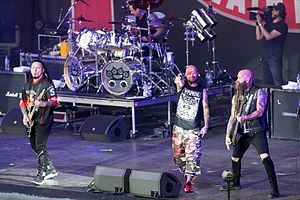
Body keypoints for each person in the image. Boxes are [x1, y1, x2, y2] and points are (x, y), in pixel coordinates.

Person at [220, 69, 280, 198]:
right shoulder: (236, 96)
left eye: (239, 78)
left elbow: (259, 111)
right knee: (235, 157)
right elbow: (232, 116)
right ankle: (236, 183)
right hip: (243, 133)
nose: (237, 81)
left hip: (257, 130)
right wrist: (227, 135)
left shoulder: (259, 92)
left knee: (265, 157)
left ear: (247, 79)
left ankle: (275, 189)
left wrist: (245, 118)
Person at [19, 60, 58, 185]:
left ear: (43, 70)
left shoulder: (47, 85)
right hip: (31, 120)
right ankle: (50, 168)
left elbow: (54, 101)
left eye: (38, 68)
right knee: (34, 146)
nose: (35, 70)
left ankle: (42, 172)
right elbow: (22, 102)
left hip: (44, 120)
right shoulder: (27, 85)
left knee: (40, 145)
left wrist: (43, 103)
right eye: (33, 67)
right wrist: (25, 115)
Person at [172, 65, 210, 193]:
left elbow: (206, 108)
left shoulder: (202, 90)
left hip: (193, 129)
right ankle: (186, 171)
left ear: (198, 74)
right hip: (179, 128)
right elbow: (179, 84)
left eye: (194, 73)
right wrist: (179, 81)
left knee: (193, 157)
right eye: (189, 73)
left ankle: (188, 182)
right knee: (178, 156)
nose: (192, 75)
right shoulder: (182, 87)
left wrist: (206, 126)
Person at [256, 2, 288, 86]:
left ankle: (280, 98)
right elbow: (259, 37)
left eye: (274, 10)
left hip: (275, 57)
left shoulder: (282, 25)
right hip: (265, 55)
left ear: (280, 12)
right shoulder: (269, 24)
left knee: (277, 81)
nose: (272, 12)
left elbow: (268, 36)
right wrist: (257, 25)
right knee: (266, 82)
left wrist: (260, 24)